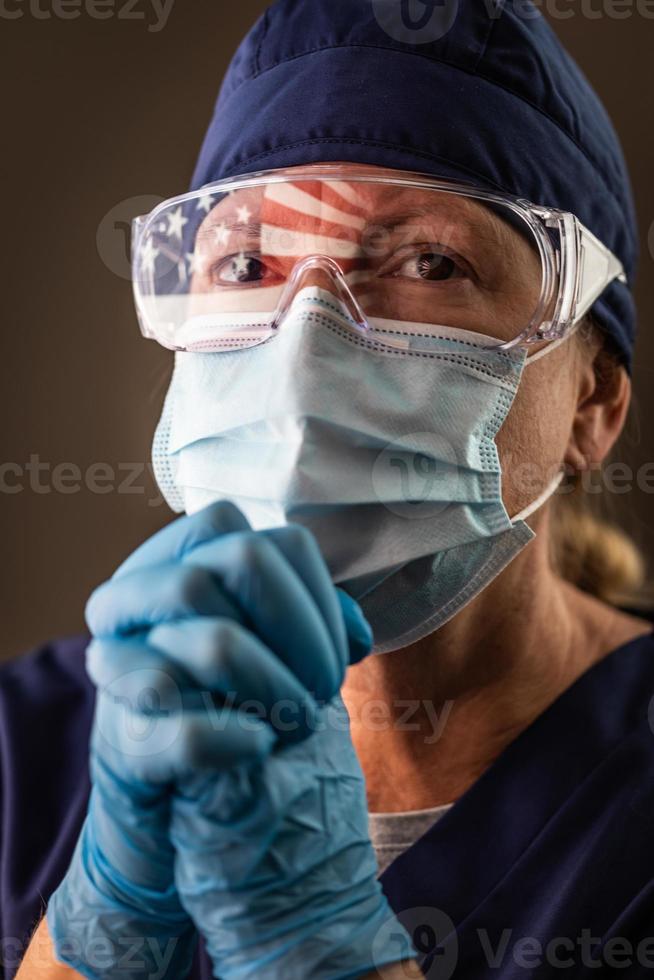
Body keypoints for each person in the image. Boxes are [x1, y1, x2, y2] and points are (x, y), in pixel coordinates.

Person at [5, 0, 654, 977]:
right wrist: (105, 915)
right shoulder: (25, 747)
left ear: (593, 402)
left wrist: (313, 938)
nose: (306, 347)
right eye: (247, 262)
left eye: (429, 261)